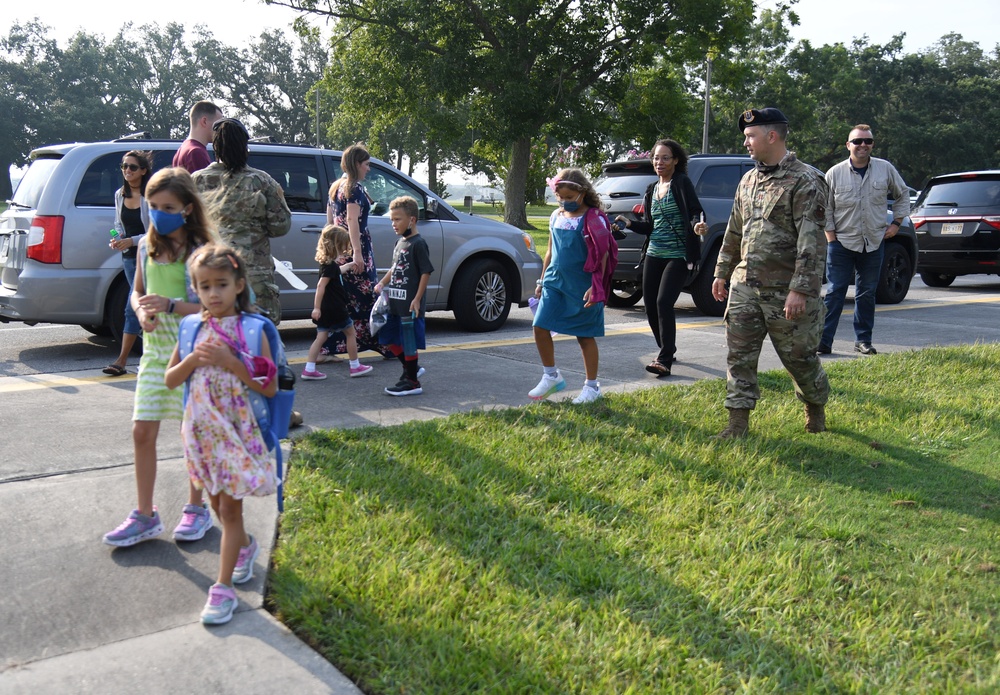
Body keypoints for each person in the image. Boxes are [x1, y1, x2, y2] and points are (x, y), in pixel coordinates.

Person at [103, 168, 218, 547]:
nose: (157, 214)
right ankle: (145, 514)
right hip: (154, 352)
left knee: (193, 435)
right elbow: (137, 291)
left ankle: (196, 508)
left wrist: (170, 305)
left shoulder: (200, 250)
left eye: (167, 207)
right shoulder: (144, 246)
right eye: (152, 206)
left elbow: (211, 307)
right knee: (142, 431)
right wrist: (140, 311)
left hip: (190, 349)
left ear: (187, 208)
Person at [165, 243, 278, 625]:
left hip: (236, 432)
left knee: (230, 509)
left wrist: (232, 363)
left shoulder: (252, 329)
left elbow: (269, 387)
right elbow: (170, 379)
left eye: (222, 284)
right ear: (194, 289)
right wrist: (194, 358)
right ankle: (245, 547)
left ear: (239, 285)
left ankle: (223, 587)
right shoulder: (190, 327)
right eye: (205, 286)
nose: (214, 293)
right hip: (201, 433)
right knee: (215, 506)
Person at [711, 108, 830, 438]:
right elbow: (735, 230)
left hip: (785, 290)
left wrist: (801, 289)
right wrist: (722, 272)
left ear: (772, 136)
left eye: (751, 136)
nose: (746, 142)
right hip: (745, 285)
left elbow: (812, 239)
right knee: (739, 356)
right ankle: (737, 424)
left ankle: (815, 403)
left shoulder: (806, 180)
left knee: (799, 359)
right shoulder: (748, 179)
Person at [617, 139, 708, 377]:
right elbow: (651, 226)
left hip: (677, 255)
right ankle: (667, 347)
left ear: (675, 160)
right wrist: (629, 223)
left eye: (665, 158)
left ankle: (664, 359)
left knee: (663, 302)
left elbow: (695, 210)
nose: (660, 162)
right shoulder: (651, 189)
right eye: (656, 157)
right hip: (654, 253)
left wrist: (697, 225)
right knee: (649, 306)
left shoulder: (681, 183)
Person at [819, 124, 911, 356]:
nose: (863, 145)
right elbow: (825, 207)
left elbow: (903, 194)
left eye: (867, 141)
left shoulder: (885, 169)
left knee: (866, 293)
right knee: (835, 292)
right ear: (848, 145)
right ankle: (823, 341)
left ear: (872, 144)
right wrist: (831, 237)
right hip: (841, 243)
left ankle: (863, 340)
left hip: (873, 242)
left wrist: (896, 224)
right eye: (858, 141)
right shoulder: (834, 173)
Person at [193, 118, 291, 324]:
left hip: (213, 276)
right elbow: (281, 225)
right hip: (255, 274)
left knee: (218, 338)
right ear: (245, 146)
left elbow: (187, 226)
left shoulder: (196, 181)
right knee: (260, 339)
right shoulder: (262, 181)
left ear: (216, 147)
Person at [529, 168, 615, 404]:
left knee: (584, 336)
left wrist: (595, 285)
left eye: (570, 197)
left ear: (582, 193)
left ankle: (592, 387)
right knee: (540, 325)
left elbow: (603, 254)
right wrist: (542, 279)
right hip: (555, 281)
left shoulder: (594, 218)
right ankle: (551, 375)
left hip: (582, 284)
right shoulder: (556, 216)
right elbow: (550, 250)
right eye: (561, 198)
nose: (565, 202)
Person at [319, 143, 390, 361]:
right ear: (356, 164)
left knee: (345, 299)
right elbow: (352, 220)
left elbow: (330, 221)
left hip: (340, 249)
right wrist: (357, 253)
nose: (368, 169)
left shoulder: (335, 186)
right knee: (367, 294)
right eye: (366, 164)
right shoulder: (354, 189)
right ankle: (382, 342)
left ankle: (328, 347)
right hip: (355, 247)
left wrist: (332, 249)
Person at [374, 196, 434, 396]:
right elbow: (394, 267)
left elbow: (426, 272)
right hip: (395, 302)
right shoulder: (400, 242)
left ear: (412, 220)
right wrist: (382, 283)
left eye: (398, 219)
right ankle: (411, 369)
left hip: (410, 304)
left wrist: (417, 298)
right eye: (392, 220)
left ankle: (412, 382)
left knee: (408, 340)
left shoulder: (419, 244)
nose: (394, 224)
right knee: (388, 337)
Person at [302, 224, 374, 381]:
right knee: (350, 333)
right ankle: (355, 366)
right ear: (336, 246)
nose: (344, 250)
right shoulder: (330, 267)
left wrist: (347, 266)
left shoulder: (328, 265)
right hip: (335, 308)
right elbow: (321, 286)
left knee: (321, 337)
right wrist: (315, 307)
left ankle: (309, 368)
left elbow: (335, 273)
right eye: (342, 247)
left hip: (326, 309)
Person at [103, 150, 151, 376]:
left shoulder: (150, 195)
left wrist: (131, 241)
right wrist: (117, 238)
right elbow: (117, 223)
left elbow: (155, 232)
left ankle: (121, 361)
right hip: (129, 259)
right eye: (124, 167)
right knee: (143, 305)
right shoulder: (119, 195)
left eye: (132, 167)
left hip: (148, 257)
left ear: (143, 170)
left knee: (133, 306)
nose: (127, 171)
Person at [172, 101, 224, 173]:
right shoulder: (196, 152)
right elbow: (203, 183)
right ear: (204, 121)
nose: (221, 129)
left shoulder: (183, 149)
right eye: (218, 124)